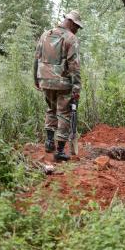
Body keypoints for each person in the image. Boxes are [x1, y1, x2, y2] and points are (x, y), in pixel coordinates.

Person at [33, 10, 83, 161]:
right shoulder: (71, 38)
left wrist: (36, 78)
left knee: (50, 110)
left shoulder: (45, 35)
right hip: (63, 83)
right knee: (64, 114)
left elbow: (36, 58)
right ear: (71, 22)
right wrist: (77, 87)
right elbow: (74, 66)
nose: (77, 30)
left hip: (45, 80)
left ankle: (49, 143)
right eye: (77, 26)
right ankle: (60, 151)